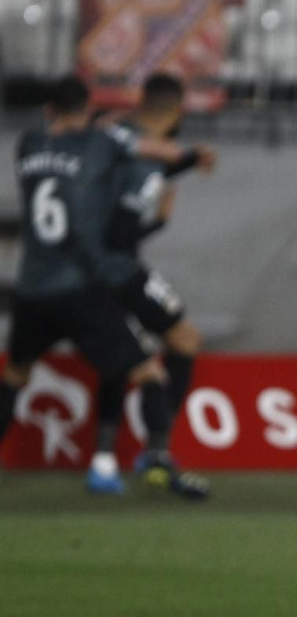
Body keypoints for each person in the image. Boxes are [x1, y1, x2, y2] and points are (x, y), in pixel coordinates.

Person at [0, 76, 210, 481]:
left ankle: (109, 459)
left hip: (31, 289)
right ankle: (155, 458)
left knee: (13, 378)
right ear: (88, 110)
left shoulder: (26, 145)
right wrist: (190, 158)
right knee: (148, 371)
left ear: (48, 111)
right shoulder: (100, 146)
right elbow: (156, 150)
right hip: (83, 285)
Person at [89, 73, 214, 499]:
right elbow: (120, 232)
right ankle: (154, 449)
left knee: (129, 353)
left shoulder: (116, 137)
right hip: (117, 270)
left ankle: (116, 456)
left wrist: (190, 161)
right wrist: (158, 219)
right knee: (173, 342)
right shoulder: (143, 158)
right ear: (177, 110)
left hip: (93, 267)